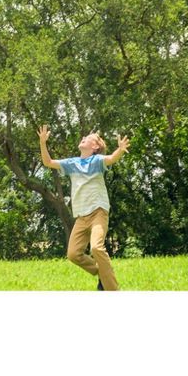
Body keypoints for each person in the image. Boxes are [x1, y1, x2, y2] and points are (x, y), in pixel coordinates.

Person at [38, 124, 129, 290]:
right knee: (73, 254)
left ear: (94, 147)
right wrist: (42, 142)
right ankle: (102, 271)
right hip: (81, 216)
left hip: (98, 212)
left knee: (96, 247)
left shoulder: (97, 161)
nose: (83, 138)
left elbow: (110, 159)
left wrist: (120, 149)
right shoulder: (72, 163)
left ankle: (112, 290)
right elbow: (48, 162)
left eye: (87, 138)